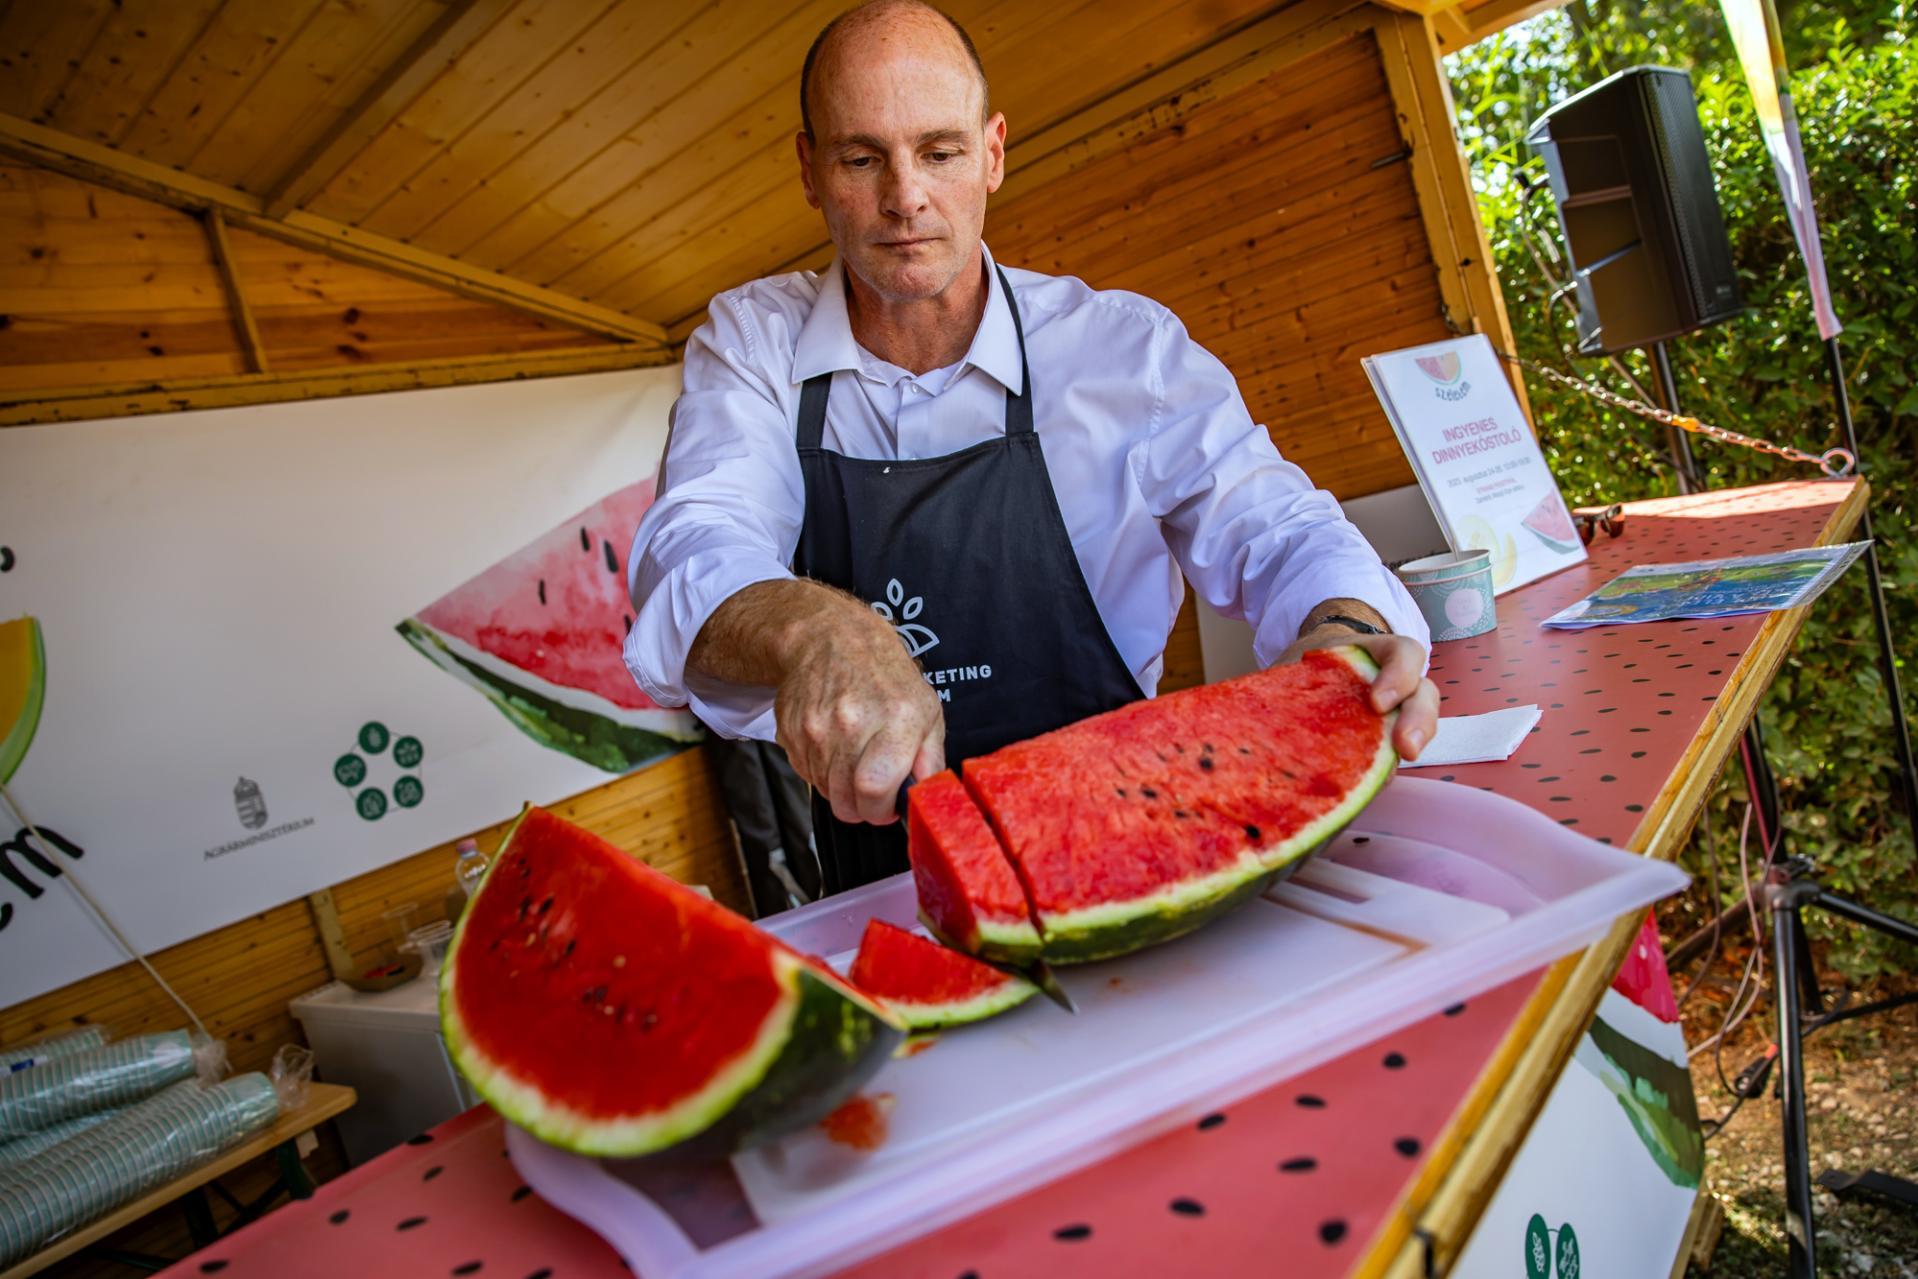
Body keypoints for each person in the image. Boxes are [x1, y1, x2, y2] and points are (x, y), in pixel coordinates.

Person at [626, 0, 1439, 896]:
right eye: (862, 158)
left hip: (1133, 855)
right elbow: (693, 552)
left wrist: (1346, 633)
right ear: (810, 170)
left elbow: (1281, 529)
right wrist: (817, 629)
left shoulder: (1127, 351)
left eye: (940, 151)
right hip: (881, 893)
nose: (906, 197)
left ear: (994, 153)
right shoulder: (752, 347)